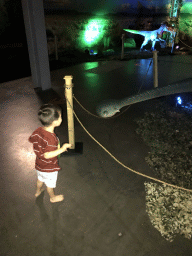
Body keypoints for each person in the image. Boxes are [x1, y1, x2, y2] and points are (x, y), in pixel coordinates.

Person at [28, 103, 72, 203]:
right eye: (60, 117)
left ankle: (38, 191)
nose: (61, 118)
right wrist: (62, 149)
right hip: (49, 167)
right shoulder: (51, 139)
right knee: (50, 185)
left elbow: (32, 139)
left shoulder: (39, 130)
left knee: (40, 179)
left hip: (39, 164)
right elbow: (47, 155)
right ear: (55, 122)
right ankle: (52, 198)